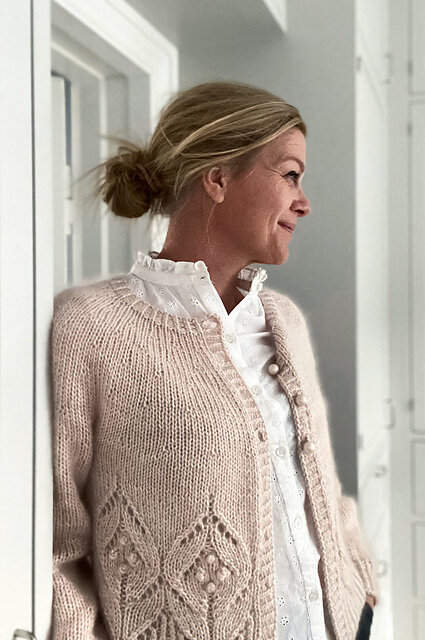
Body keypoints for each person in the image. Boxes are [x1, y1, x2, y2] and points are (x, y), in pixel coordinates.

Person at [50, 80, 378, 640]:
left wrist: (360, 581)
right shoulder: (91, 327)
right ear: (219, 178)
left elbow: (316, 479)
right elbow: (59, 540)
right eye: (291, 174)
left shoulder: (284, 320)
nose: (304, 202)